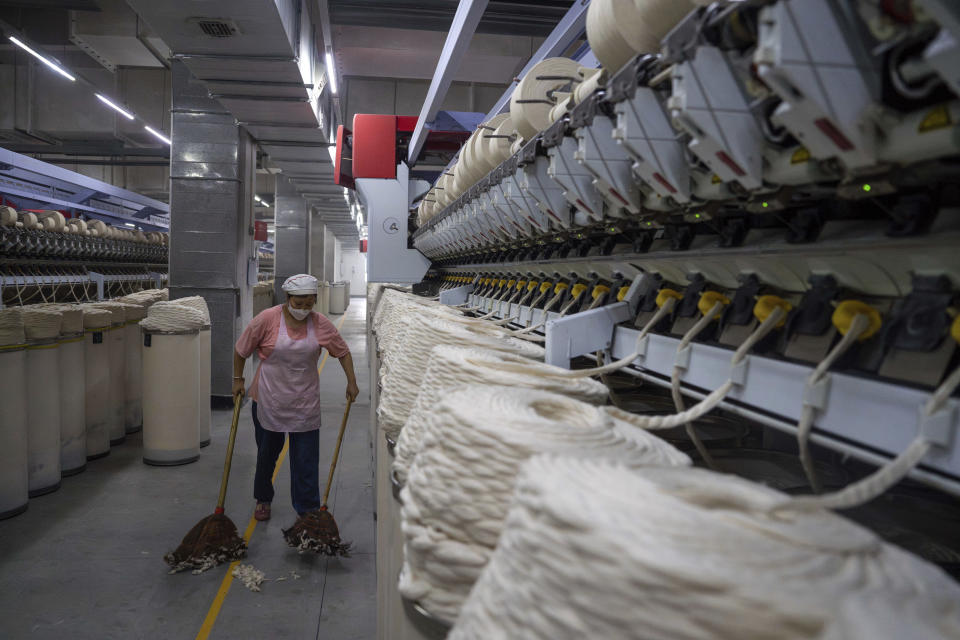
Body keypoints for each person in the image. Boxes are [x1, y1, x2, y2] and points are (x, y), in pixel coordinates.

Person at [233, 273, 359, 522]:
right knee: (267, 455)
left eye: (309, 303)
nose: (303, 308)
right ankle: (263, 498)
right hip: (269, 398)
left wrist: (352, 382)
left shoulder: (320, 323)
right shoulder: (267, 320)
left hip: (304, 401)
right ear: (288, 298)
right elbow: (241, 349)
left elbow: (342, 351)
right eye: (298, 303)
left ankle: (308, 510)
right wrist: (238, 380)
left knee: (305, 460)